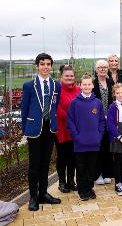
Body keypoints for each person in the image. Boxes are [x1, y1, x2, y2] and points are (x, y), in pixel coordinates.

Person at [21, 53, 62, 211]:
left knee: (45, 163)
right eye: (42, 64)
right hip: (34, 129)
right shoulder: (29, 85)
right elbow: (24, 108)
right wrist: (25, 128)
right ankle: (33, 196)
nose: (45, 67)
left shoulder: (55, 85)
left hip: (49, 128)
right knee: (34, 164)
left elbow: (55, 106)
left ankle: (43, 193)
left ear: (51, 67)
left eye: (48, 64)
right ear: (37, 66)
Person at [67, 75, 106, 201]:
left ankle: (89, 188)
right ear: (80, 85)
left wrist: (99, 135)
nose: (87, 87)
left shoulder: (97, 102)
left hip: (94, 142)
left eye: (89, 84)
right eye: (84, 84)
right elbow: (70, 121)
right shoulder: (75, 102)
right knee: (81, 167)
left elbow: (101, 121)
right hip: (80, 143)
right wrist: (76, 136)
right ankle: (82, 190)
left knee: (91, 167)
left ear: (93, 86)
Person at [55, 65, 80, 193]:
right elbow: (57, 109)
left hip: (75, 130)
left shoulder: (79, 90)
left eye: (71, 76)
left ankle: (71, 180)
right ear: (62, 77)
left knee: (73, 157)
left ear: (74, 77)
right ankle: (62, 182)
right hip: (63, 130)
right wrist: (72, 119)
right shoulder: (57, 90)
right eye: (67, 76)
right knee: (62, 157)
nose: (69, 78)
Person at [93, 60, 114, 185]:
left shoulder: (110, 82)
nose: (102, 69)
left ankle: (107, 172)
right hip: (96, 119)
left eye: (105, 67)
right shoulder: (93, 83)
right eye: (100, 67)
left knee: (107, 147)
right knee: (98, 147)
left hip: (109, 119)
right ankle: (97, 174)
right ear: (96, 69)